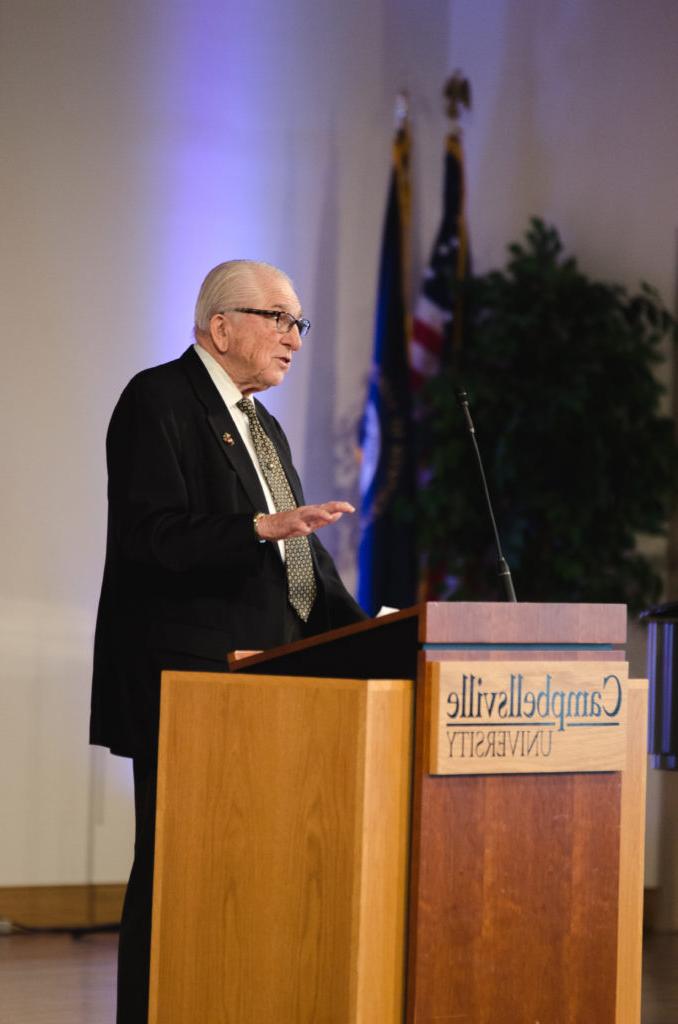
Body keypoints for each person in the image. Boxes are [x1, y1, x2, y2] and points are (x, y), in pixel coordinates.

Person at [90, 259, 366, 1023]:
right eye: (280, 319)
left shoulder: (261, 423)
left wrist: (375, 632)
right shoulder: (159, 400)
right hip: (191, 681)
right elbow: (151, 537)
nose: (295, 339)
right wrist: (254, 527)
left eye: (298, 323)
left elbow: (298, 555)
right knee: (179, 869)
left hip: (269, 683)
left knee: (248, 874)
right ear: (222, 326)